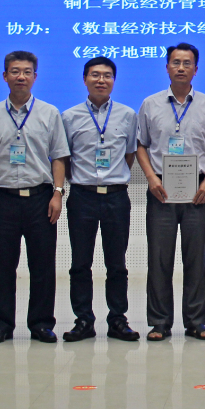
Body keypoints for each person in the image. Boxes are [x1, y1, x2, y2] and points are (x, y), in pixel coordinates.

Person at [0, 51, 71, 344]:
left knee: (42, 265)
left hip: (40, 198)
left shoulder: (49, 113)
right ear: (5, 76)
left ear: (35, 76)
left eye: (27, 71)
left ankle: (41, 323)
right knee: (3, 265)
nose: (21, 76)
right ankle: (1, 324)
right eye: (15, 71)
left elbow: (59, 156)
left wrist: (57, 193)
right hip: (3, 198)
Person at [136, 43, 205, 342]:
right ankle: (159, 322)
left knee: (195, 259)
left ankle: (196, 322)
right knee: (159, 259)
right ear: (167, 67)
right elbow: (141, 145)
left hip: (197, 190)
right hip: (161, 189)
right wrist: (150, 178)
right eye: (176, 62)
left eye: (187, 63)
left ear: (196, 69)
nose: (181, 67)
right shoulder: (150, 104)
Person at [61, 56, 140, 342]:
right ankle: (83, 320)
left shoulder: (127, 115)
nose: (101, 80)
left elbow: (129, 155)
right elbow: (64, 157)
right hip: (82, 196)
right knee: (80, 263)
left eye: (107, 75)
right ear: (85, 79)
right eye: (95, 75)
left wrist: (111, 177)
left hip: (116, 197)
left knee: (116, 263)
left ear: (114, 81)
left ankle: (118, 319)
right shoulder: (69, 117)